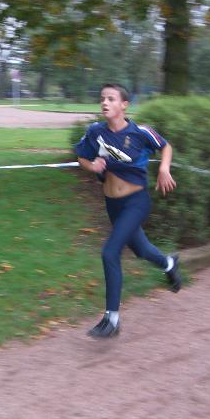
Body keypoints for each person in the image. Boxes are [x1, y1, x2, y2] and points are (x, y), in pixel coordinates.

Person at [75, 83, 182, 338]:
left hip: (136, 201)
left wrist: (164, 168)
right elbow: (82, 157)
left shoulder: (140, 132)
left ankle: (112, 319)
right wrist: (92, 167)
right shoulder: (95, 132)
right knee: (141, 249)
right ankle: (168, 263)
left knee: (110, 252)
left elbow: (166, 146)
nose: (105, 102)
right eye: (102, 98)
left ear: (124, 105)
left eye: (111, 99)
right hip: (112, 204)